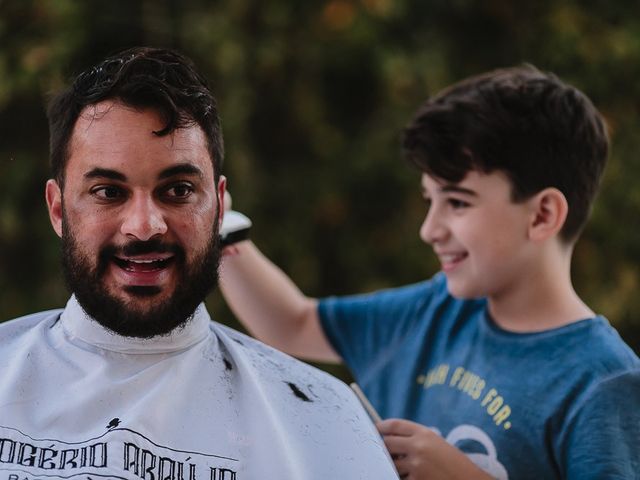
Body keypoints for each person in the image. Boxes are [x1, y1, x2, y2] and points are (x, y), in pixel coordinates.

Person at [220, 65, 640, 479]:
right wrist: (220, 228)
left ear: (543, 214)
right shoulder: (434, 311)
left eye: (457, 202)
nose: (429, 230)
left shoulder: (603, 381)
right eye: (429, 200)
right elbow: (293, 324)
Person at [0, 47, 399, 479]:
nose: (144, 226)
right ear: (58, 210)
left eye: (178, 190)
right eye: (108, 192)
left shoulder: (326, 420)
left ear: (219, 208)